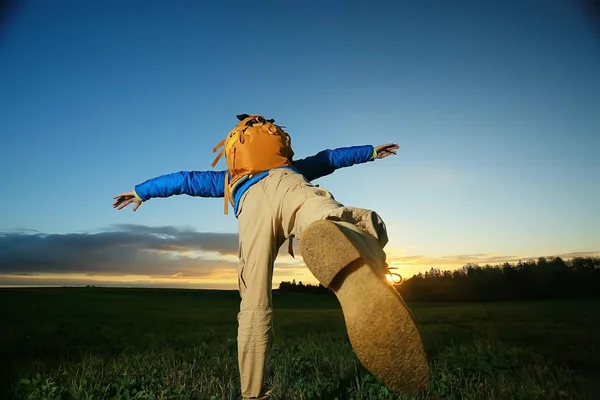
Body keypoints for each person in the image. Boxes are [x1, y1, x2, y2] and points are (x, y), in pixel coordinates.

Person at [113, 114, 428, 399]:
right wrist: (371, 152)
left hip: (251, 209)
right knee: (332, 217)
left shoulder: (227, 179)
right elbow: (329, 158)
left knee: (253, 303)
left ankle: (253, 393)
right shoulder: (293, 166)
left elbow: (183, 180)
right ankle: (358, 250)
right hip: (289, 184)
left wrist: (142, 191)